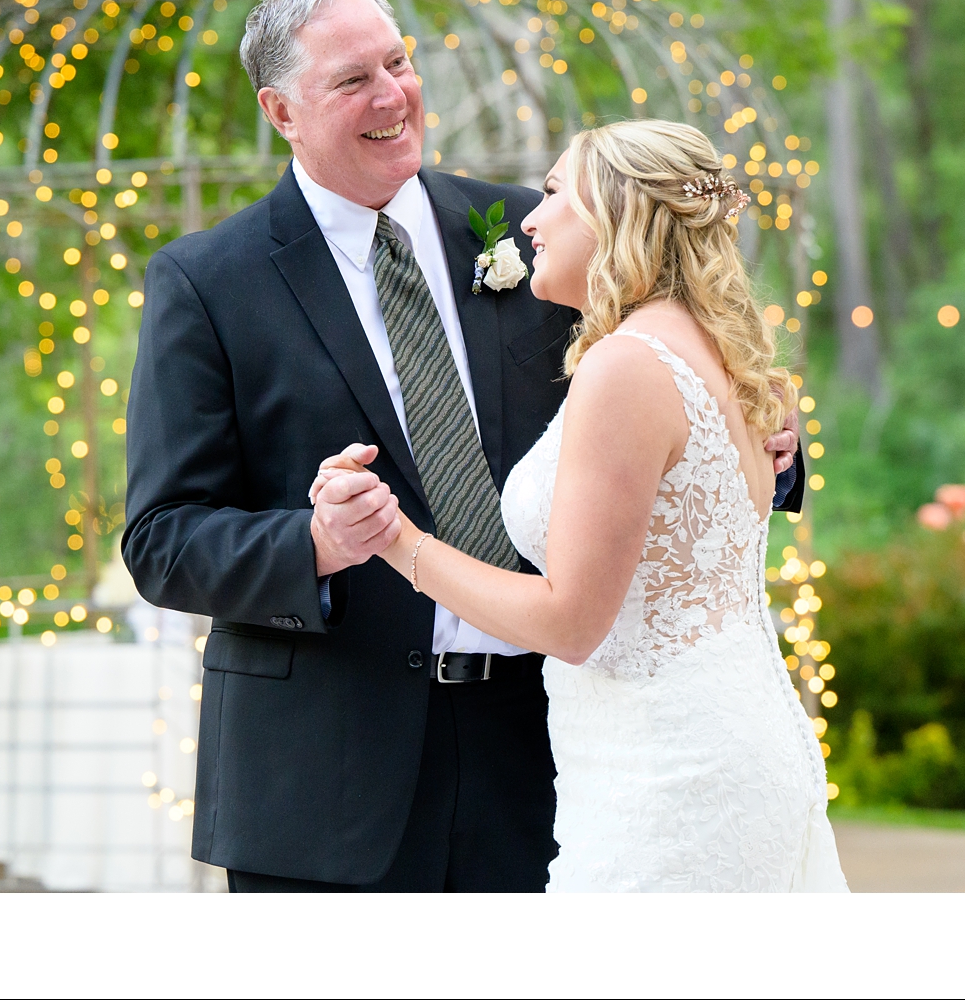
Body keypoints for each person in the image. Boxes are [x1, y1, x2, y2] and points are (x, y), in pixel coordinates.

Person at [120, 0, 804, 892]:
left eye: (399, 63)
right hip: (325, 781)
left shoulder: (545, 231)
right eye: (353, 79)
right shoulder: (207, 281)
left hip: (546, 757)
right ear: (281, 110)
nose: (393, 95)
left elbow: (681, 388)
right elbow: (162, 543)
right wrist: (315, 543)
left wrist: (777, 447)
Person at [313, 119, 847, 891]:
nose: (528, 217)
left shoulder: (624, 366)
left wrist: (396, 540)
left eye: (556, 191)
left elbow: (570, 622)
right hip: (721, 734)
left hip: (668, 768)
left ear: (618, 214)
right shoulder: (723, 350)